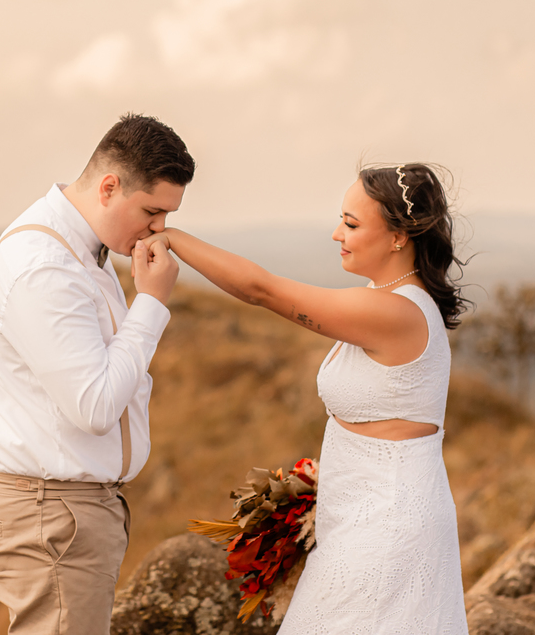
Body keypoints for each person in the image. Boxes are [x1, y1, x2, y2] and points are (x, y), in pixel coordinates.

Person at [139, 163, 470, 634]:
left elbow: (261, 290)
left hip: (387, 525)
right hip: (359, 513)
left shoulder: (393, 311)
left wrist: (171, 237)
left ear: (399, 236)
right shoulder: (387, 297)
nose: (337, 233)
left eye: (352, 225)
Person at [0, 114, 193, 635]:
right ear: (109, 187)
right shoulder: (45, 267)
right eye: (152, 211)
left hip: (59, 507)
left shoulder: (81, 250)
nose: (159, 228)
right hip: (47, 513)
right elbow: (94, 406)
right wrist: (151, 304)